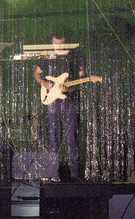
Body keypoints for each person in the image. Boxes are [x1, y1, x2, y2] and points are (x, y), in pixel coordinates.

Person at [33, 28, 84, 181]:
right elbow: (37, 73)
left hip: (69, 102)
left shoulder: (75, 57)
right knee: (53, 138)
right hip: (52, 102)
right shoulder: (48, 56)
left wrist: (70, 88)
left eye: (61, 44)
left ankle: (74, 174)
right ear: (52, 42)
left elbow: (82, 80)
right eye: (56, 44)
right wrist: (43, 82)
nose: (59, 47)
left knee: (71, 138)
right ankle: (53, 174)